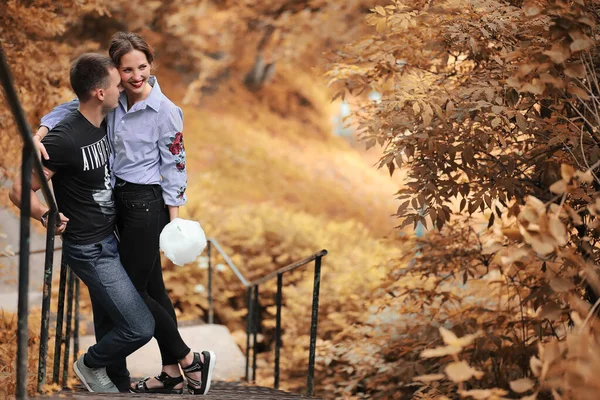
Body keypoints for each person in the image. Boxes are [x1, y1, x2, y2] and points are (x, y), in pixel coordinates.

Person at [35, 32, 215, 395]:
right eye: (127, 69)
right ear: (115, 73)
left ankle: (187, 359)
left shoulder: (165, 111)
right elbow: (68, 107)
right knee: (153, 288)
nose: (136, 76)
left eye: (143, 67)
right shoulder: (112, 99)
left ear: (151, 65)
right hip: (119, 202)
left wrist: (174, 218)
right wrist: (39, 134)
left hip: (146, 207)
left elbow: (175, 166)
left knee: (132, 291)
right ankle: (172, 370)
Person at [9, 53, 155, 393]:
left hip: (111, 237)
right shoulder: (63, 140)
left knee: (112, 318)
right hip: (89, 249)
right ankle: (90, 364)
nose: (124, 87)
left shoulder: (104, 118)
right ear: (100, 93)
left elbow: (145, 88)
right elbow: (18, 190)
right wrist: (45, 213)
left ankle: (115, 380)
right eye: (117, 84)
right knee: (139, 326)